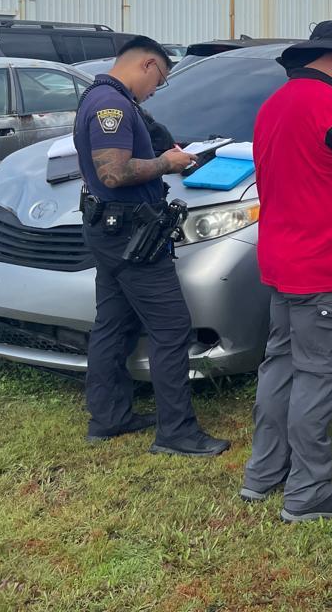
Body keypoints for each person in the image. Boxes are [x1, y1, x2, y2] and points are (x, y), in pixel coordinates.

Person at [239, 21, 332, 522]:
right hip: (325, 266)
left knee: (278, 368)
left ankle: (263, 473)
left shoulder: (274, 104)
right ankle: (307, 492)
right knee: (318, 377)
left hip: (280, 260)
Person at [76, 35, 230, 457]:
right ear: (147, 65)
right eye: (159, 80)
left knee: (113, 323)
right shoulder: (112, 106)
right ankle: (176, 432)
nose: (155, 90)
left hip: (110, 231)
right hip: (132, 236)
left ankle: (109, 417)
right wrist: (169, 163)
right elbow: (113, 172)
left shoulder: (101, 95)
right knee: (170, 329)